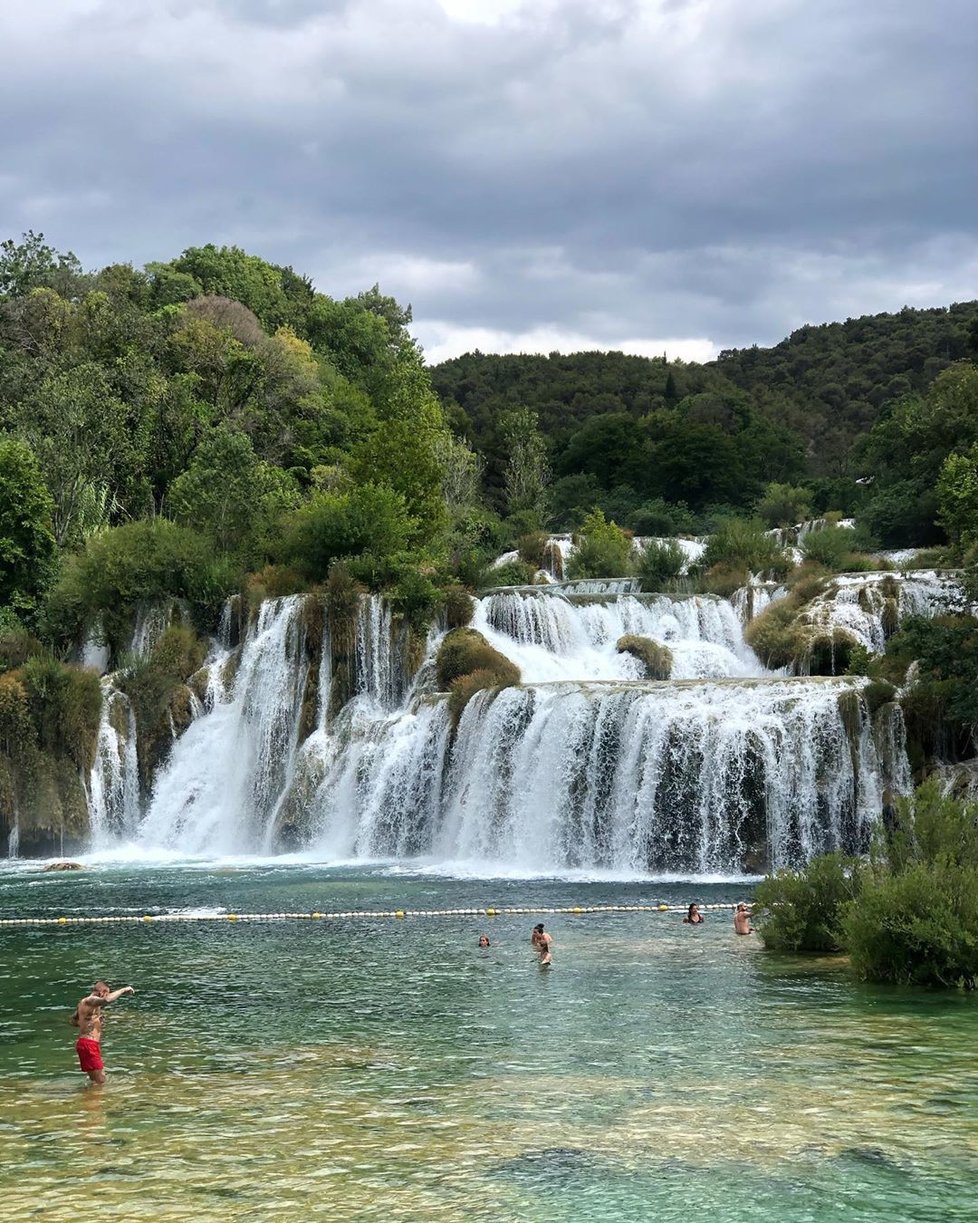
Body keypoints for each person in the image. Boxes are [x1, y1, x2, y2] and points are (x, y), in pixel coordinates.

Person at [70, 980, 135, 1084]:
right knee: (101, 1081)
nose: (107, 995)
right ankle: (93, 1099)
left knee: (95, 1082)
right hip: (89, 1045)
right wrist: (124, 989)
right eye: (107, 993)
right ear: (102, 992)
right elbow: (107, 1000)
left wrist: (94, 1021)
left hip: (85, 1044)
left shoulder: (85, 1004)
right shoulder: (90, 1000)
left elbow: (74, 1021)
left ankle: (87, 1098)